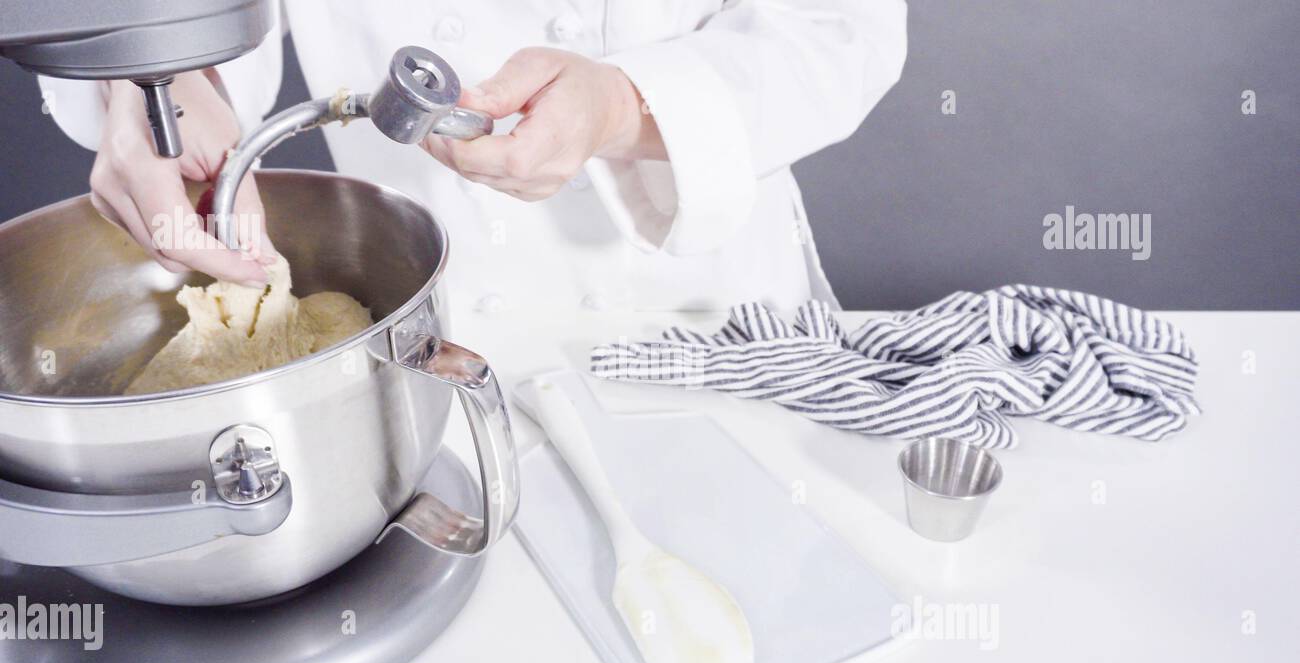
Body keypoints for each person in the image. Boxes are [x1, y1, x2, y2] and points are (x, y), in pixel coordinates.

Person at [41, 1, 906, 314]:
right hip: (441, 310)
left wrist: (622, 105)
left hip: (710, 307)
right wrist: (155, 73)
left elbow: (843, 28)